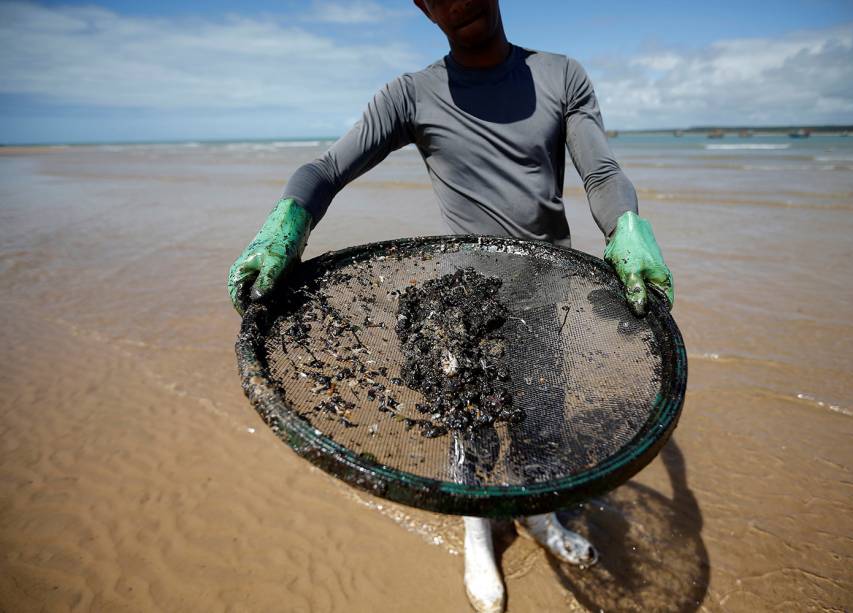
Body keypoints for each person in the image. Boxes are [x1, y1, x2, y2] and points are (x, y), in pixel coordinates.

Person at [228, 1, 674, 611]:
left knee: (543, 428)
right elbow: (327, 168)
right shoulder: (411, 95)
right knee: (472, 438)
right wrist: (287, 223)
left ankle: (543, 521)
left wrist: (625, 224)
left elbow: (600, 172)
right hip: (461, 308)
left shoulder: (562, 74)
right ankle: (477, 539)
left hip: (547, 293)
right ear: (422, 7)